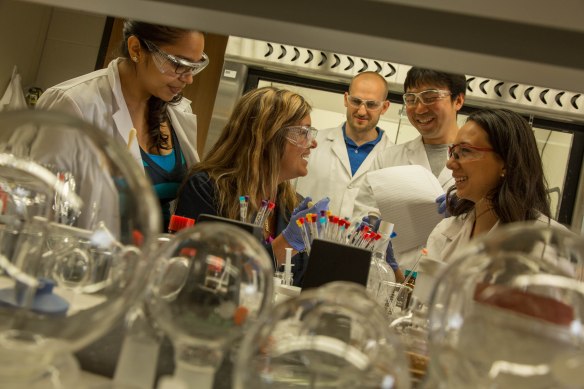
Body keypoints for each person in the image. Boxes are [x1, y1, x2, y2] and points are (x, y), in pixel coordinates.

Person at [36, 20, 207, 232]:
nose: (189, 79)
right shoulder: (74, 104)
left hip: (153, 258)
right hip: (89, 256)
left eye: (195, 67)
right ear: (136, 49)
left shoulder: (178, 111)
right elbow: (40, 206)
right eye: (178, 64)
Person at [175, 86, 329, 284]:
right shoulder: (207, 189)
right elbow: (211, 279)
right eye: (303, 132)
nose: (313, 143)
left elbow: (300, 284)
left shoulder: (291, 205)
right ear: (267, 136)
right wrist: (286, 243)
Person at [354, 67, 466, 273]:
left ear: (458, 100)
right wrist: (368, 225)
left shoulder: (478, 162)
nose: (420, 108)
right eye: (411, 99)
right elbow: (362, 215)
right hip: (388, 279)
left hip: (446, 281)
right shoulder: (388, 158)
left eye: (431, 97)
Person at [426, 108, 565, 263]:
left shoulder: (552, 245)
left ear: (506, 162)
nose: (450, 163)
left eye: (465, 151)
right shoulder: (444, 232)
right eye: (453, 152)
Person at [295, 71, 392, 217]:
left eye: (371, 104)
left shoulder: (395, 160)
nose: (361, 111)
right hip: (303, 238)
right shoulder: (312, 143)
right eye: (356, 101)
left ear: (384, 107)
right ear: (346, 99)